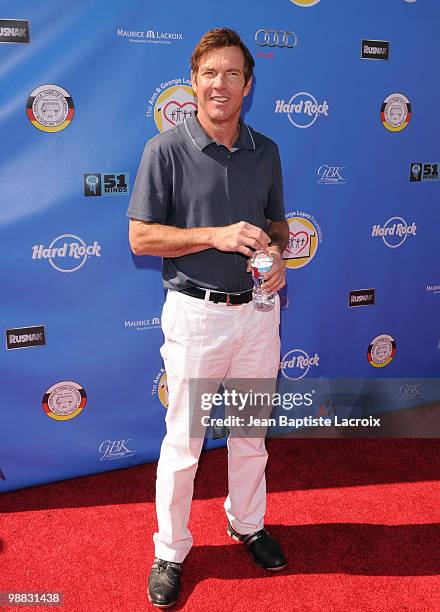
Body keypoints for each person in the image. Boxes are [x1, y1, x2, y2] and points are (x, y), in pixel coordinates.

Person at [127, 28, 289, 608]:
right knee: (185, 443)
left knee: (250, 437)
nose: (221, 84)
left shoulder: (266, 150)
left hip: (257, 319)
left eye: (233, 74)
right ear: (193, 80)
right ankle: (170, 549)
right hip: (196, 318)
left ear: (248, 85)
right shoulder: (164, 150)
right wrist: (215, 237)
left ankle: (247, 523)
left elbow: (277, 226)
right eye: (210, 73)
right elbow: (141, 238)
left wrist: (280, 264)